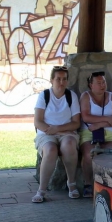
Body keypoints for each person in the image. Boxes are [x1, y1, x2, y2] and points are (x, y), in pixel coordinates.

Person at [33, 66, 81, 203]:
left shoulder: (71, 96)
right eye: (58, 79)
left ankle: (71, 184)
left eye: (64, 79)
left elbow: (76, 123)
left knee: (69, 145)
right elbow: (38, 121)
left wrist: (59, 130)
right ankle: (42, 190)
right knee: (50, 150)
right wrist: (54, 130)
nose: (61, 82)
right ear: (51, 80)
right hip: (46, 133)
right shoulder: (44, 96)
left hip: (66, 133)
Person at [80, 71, 112, 198]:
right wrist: (107, 119)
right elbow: (86, 117)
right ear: (91, 85)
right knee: (89, 154)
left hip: (109, 132)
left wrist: (99, 124)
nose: (102, 85)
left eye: (104, 82)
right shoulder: (85, 96)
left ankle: (111, 186)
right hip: (89, 132)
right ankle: (88, 184)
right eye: (99, 83)